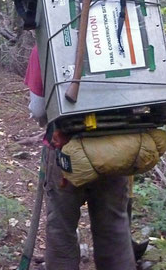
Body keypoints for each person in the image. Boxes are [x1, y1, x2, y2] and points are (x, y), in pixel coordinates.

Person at [25, 45, 137, 270]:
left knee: (61, 232)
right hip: (115, 150)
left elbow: (38, 109)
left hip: (64, 150)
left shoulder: (47, 43)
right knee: (114, 230)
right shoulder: (122, 39)